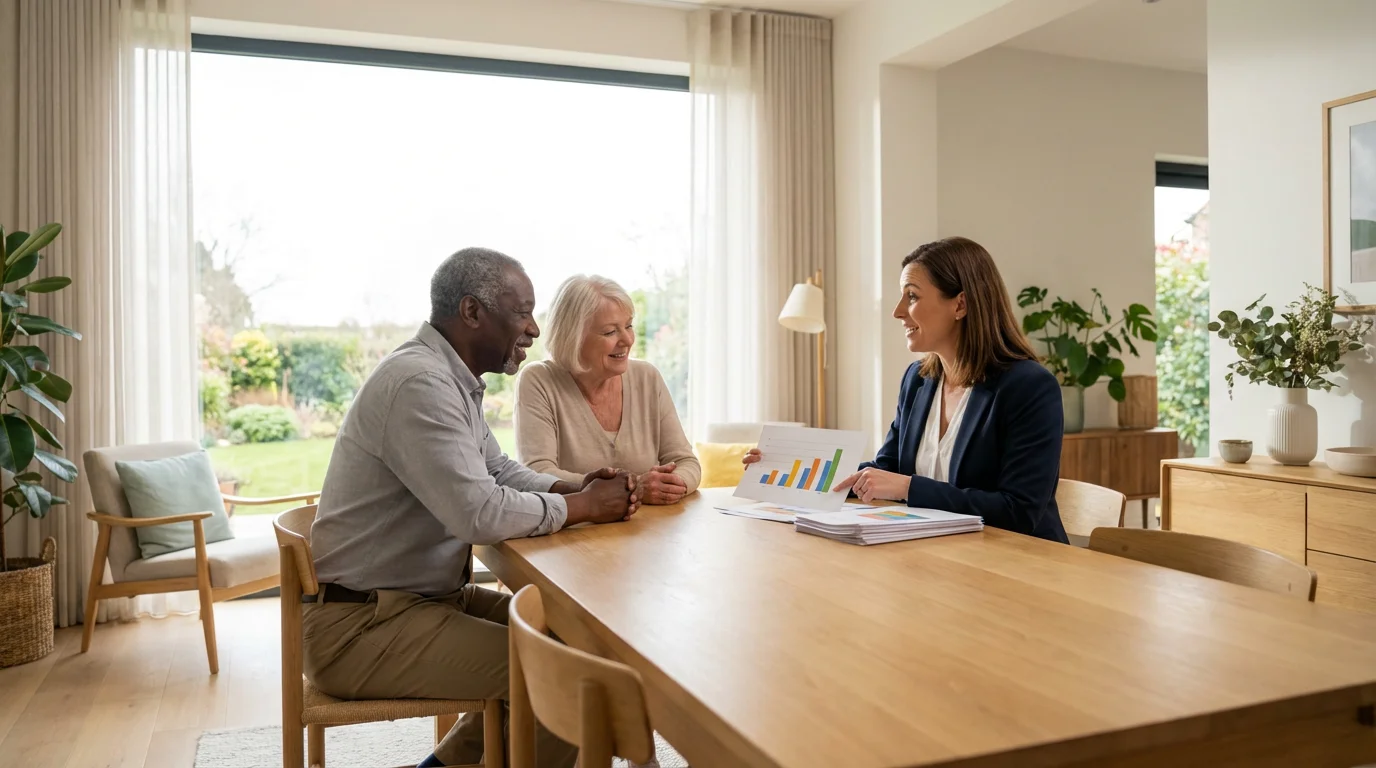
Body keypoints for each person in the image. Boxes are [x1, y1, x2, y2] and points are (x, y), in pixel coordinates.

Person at [306, 248, 641, 768]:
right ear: (472, 312)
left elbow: (498, 470)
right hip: (362, 628)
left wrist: (571, 490)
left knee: (578, 638)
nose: (533, 328)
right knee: (570, 682)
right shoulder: (421, 384)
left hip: (419, 602)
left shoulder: (449, 380)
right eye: (522, 312)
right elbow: (478, 514)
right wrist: (581, 508)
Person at [745, 236, 1068, 543]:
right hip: (944, 559)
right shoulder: (918, 380)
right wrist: (783, 469)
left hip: (1022, 568)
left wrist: (909, 488)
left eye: (911, 296)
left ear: (960, 305)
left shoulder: (1029, 387)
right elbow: (886, 470)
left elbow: (1018, 511)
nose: (898, 311)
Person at [515, 274, 701, 506]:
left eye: (628, 326)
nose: (627, 340)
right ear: (573, 337)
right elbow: (537, 473)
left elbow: (686, 461)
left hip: (650, 531)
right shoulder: (539, 380)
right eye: (610, 332)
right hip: (573, 534)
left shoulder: (647, 377)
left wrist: (675, 483)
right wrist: (634, 488)